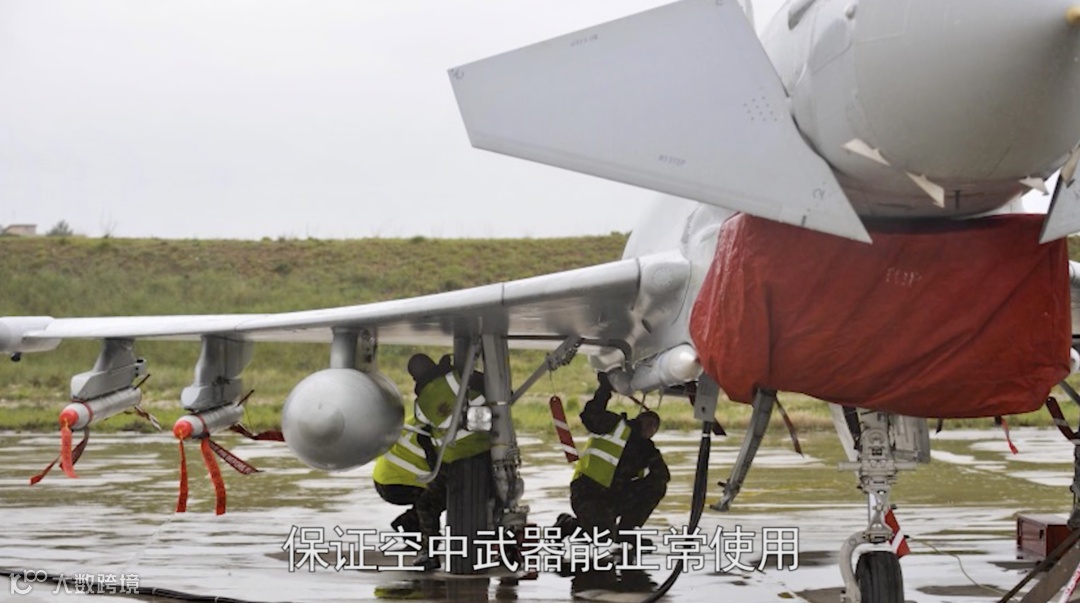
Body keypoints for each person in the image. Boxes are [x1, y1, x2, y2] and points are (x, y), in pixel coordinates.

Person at [386, 352, 488, 570]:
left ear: (415, 378)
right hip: (485, 450)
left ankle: (429, 552)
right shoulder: (456, 377)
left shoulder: (421, 405)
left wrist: (434, 471)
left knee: (427, 504)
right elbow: (485, 385)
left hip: (454, 461)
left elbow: (426, 436)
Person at [561, 372, 669, 547]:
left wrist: (646, 477)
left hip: (613, 496)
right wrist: (605, 389)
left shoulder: (647, 449)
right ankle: (567, 525)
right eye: (649, 423)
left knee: (657, 486)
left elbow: (662, 476)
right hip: (588, 492)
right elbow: (590, 415)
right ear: (639, 419)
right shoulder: (615, 425)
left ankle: (626, 533)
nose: (651, 428)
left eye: (654, 426)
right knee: (602, 539)